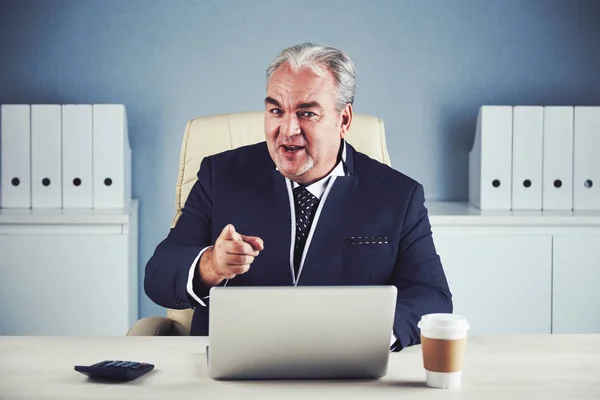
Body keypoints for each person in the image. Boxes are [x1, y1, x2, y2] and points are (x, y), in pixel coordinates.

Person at [144, 43, 452, 351]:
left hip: (346, 367)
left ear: (343, 120)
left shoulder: (399, 195)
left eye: (306, 113)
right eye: (276, 111)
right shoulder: (220, 175)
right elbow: (158, 275)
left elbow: (431, 296)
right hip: (236, 364)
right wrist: (211, 264)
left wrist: (370, 335)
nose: (288, 130)